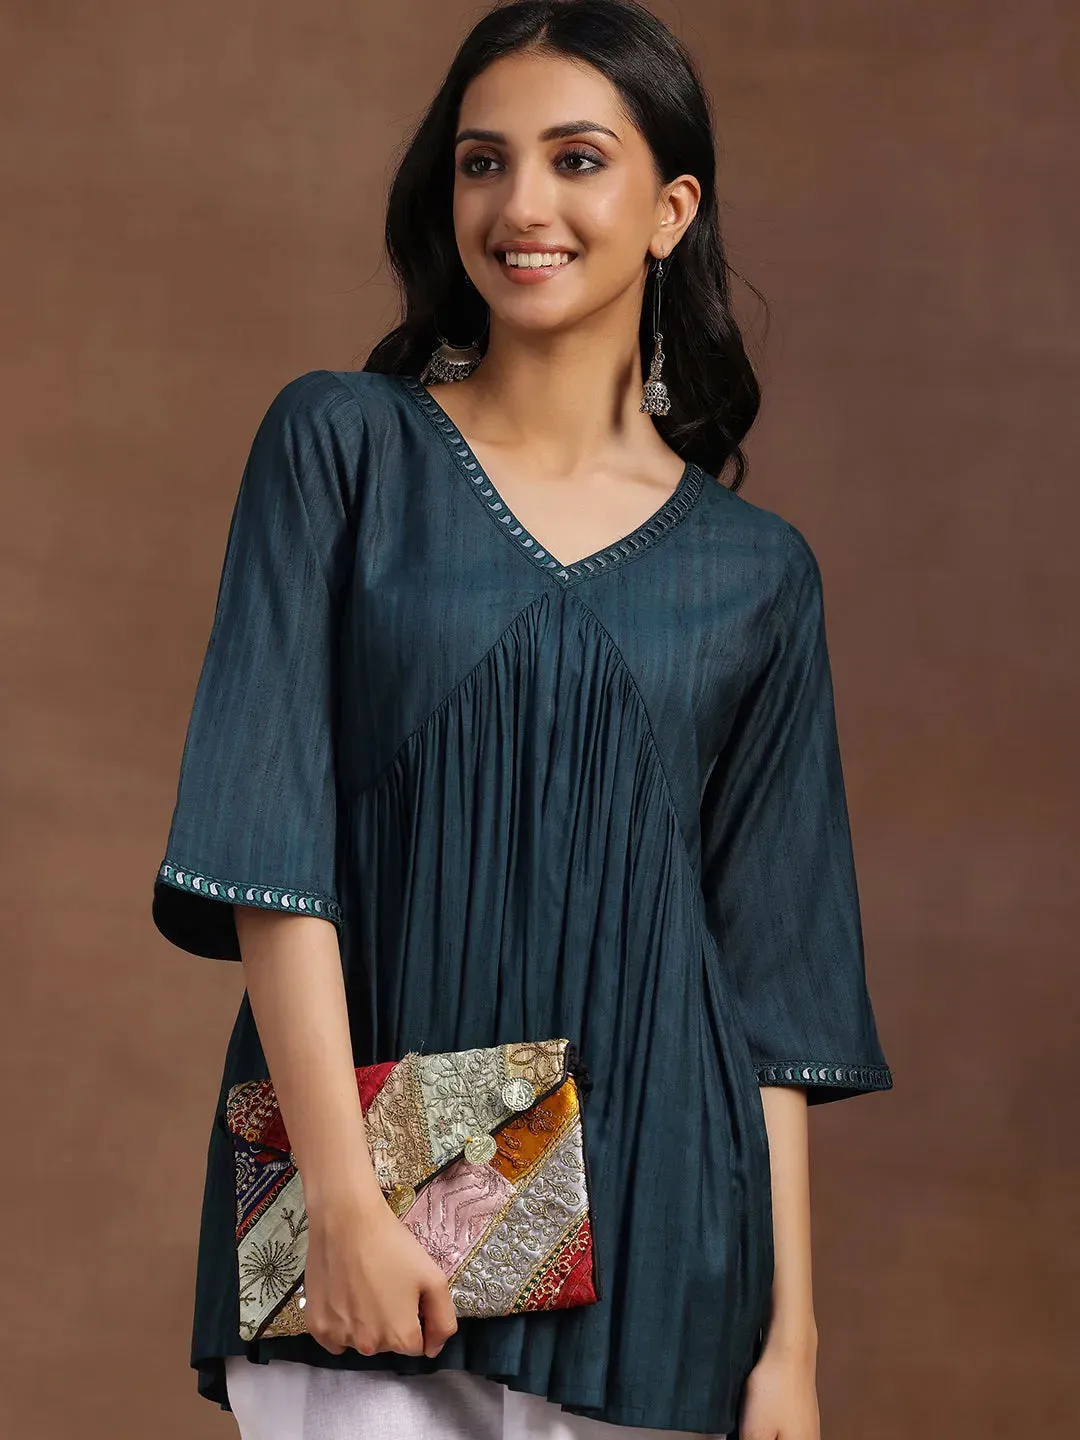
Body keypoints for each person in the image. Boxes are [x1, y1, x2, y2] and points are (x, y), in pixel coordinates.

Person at [151, 2, 893, 1437]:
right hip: (373, 1202)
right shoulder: (342, 446)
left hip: (668, 1238)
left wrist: (792, 1346)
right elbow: (269, 853)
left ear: (671, 209)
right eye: (483, 162)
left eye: (577, 158)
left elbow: (771, 995)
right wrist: (346, 1204)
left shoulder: (758, 574)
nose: (521, 205)